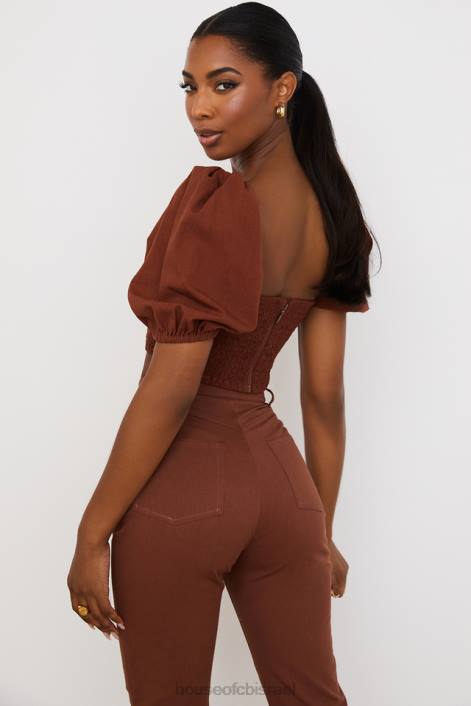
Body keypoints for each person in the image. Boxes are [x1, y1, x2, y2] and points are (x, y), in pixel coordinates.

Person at [67, 2, 378, 704]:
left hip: (189, 483)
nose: (200, 108)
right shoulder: (334, 214)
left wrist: (92, 533)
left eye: (224, 84)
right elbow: (323, 396)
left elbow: (174, 387)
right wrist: (319, 530)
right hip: (285, 491)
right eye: (190, 86)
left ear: (282, 89)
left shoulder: (222, 204)